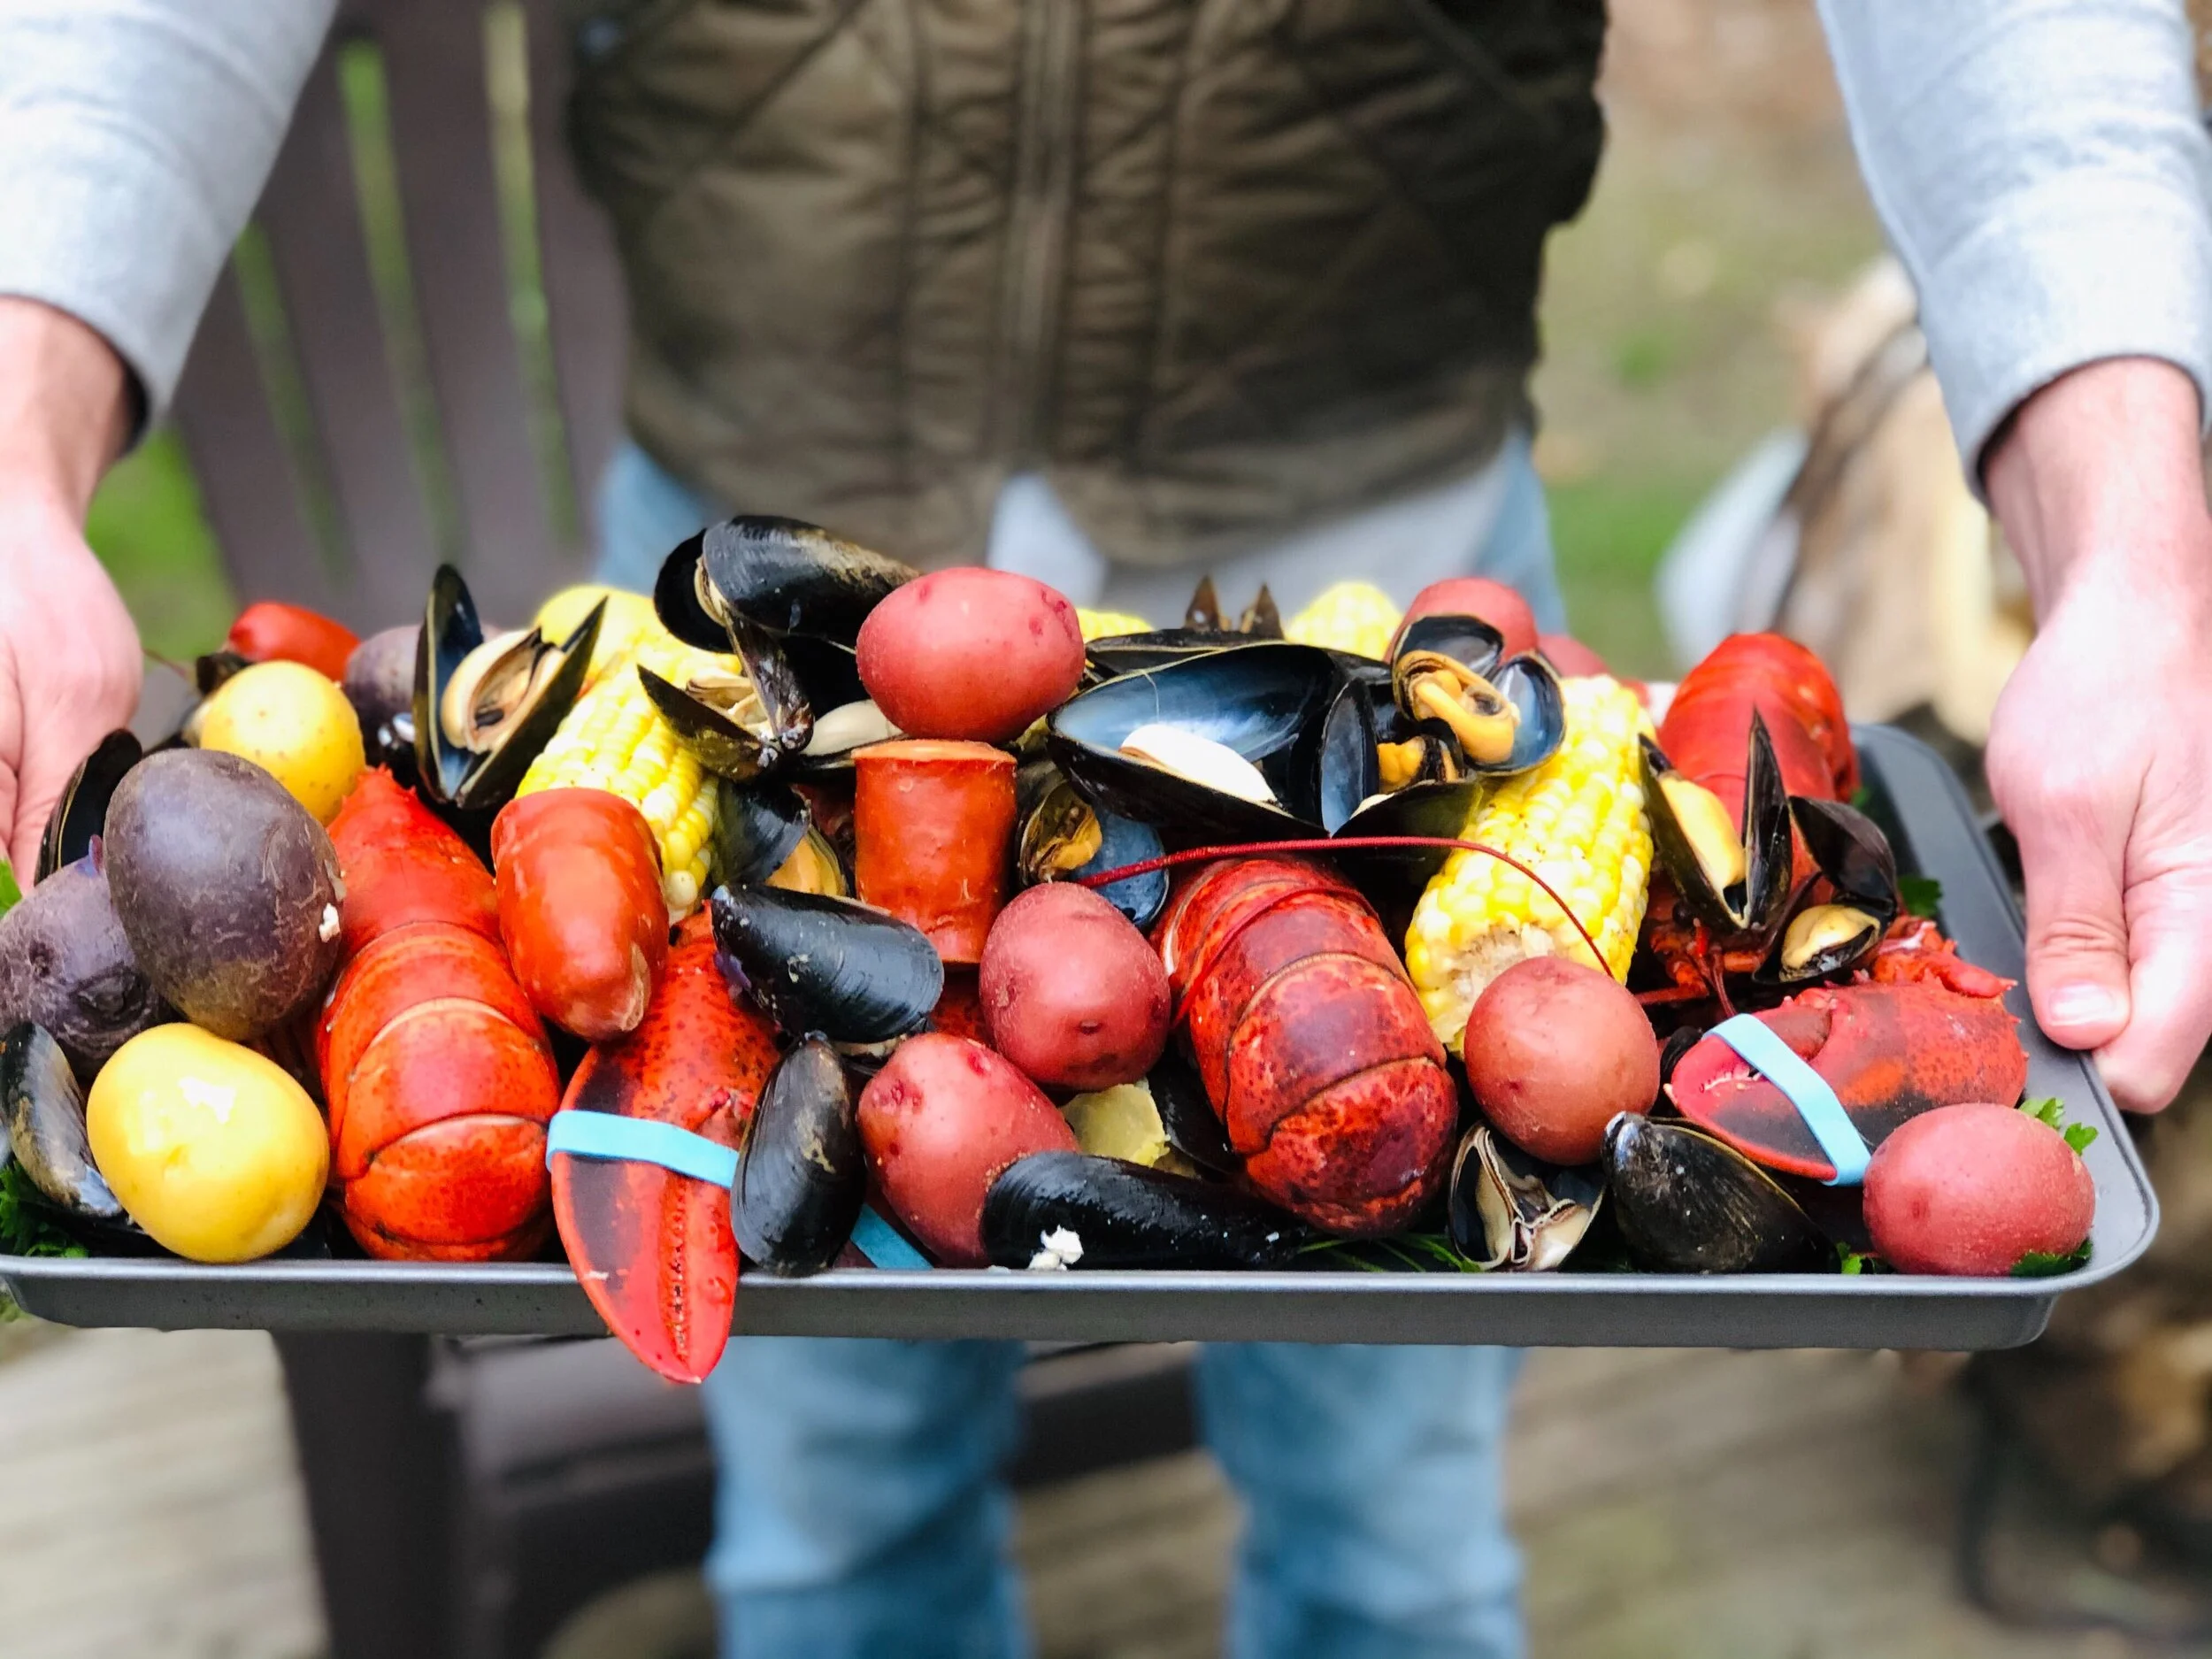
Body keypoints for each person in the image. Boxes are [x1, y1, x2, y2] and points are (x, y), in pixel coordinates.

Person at [4, 3, 2211, 1655]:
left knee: (1390, 1519)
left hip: (1372, 563)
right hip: (754, 572)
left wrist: (2126, 528)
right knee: (837, 1497)